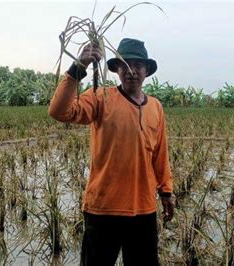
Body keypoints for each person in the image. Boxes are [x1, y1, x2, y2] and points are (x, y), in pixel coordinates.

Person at [48, 38, 175, 265]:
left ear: (147, 70)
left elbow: (160, 155)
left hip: (143, 210)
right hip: (103, 209)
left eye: (138, 65)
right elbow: (59, 111)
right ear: (116, 69)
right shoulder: (100, 97)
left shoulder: (156, 107)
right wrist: (79, 66)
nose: (131, 71)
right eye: (124, 65)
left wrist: (166, 192)